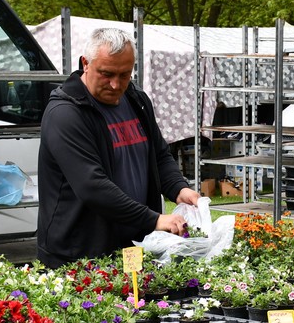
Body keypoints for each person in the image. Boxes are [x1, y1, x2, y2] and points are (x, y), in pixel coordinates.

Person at [37, 27, 199, 268]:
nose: (116, 85)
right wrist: (153, 219)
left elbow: (158, 155)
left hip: (133, 244)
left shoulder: (137, 101)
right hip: (80, 253)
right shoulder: (65, 114)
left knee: (138, 304)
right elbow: (93, 186)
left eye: (125, 74)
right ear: (85, 64)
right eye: (107, 74)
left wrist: (177, 188)